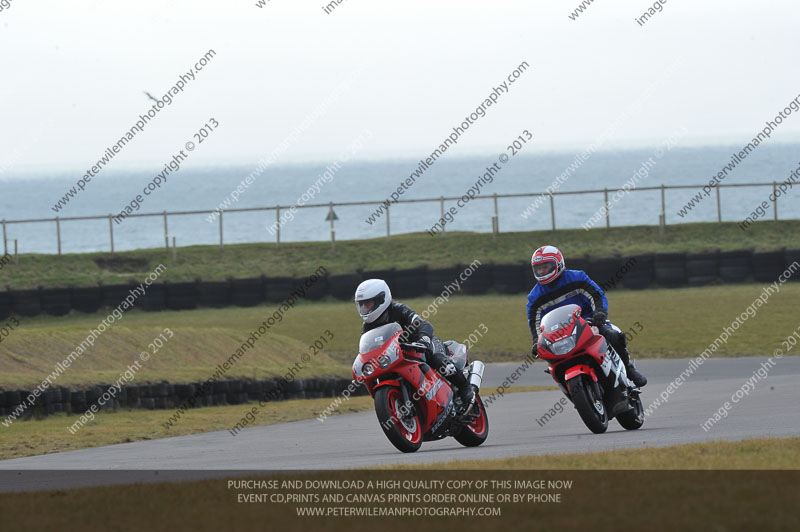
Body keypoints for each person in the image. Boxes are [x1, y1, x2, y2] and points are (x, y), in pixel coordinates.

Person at [526, 246, 647, 387]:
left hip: (589, 323)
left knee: (613, 336)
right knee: (552, 361)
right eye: (538, 269)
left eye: (545, 267)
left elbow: (596, 295)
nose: (541, 271)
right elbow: (535, 322)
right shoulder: (534, 297)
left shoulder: (577, 278)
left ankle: (628, 369)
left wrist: (600, 312)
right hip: (559, 334)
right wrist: (536, 341)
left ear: (558, 264)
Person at [354, 278, 476, 411]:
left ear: (381, 299)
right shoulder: (367, 326)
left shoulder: (399, 310)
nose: (365, 308)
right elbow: (367, 347)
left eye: (368, 304)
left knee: (438, 360)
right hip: (399, 355)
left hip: (422, 344)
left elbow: (423, 324)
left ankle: (465, 388)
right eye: (362, 305)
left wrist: (423, 339)